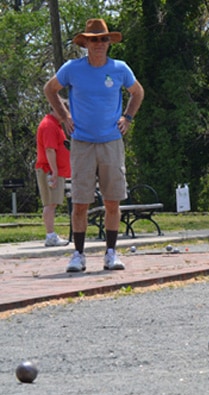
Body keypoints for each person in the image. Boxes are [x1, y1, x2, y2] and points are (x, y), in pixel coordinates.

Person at [44, 18, 144, 272]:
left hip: (111, 142)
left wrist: (128, 118)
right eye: (93, 39)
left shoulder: (120, 69)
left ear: (109, 42)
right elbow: (50, 89)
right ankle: (78, 254)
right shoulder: (72, 68)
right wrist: (65, 116)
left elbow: (138, 92)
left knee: (112, 200)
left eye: (103, 39)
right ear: (85, 43)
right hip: (82, 143)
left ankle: (111, 253)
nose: (98, 43)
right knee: (80, 202)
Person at [35, 97, 72, 247]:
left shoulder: (55, 125)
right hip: (49, 170)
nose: (68, 114)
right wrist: (54, 172)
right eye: (65, 110)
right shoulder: (49, 125)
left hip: (54, 170)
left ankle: (51, 234)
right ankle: (50, 236)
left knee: (52, 203)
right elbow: (50, 150)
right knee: (50, 203)